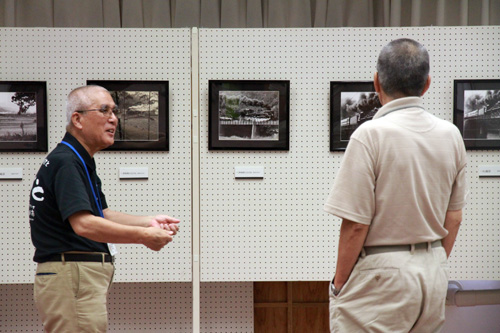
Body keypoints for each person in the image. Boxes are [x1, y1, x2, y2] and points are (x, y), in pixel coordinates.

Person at [324, 38, 467, 332]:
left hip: (382, 276)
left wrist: (339, 284)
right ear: (427, 84)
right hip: (432, 270)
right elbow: (454, 217)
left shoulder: (370, 135)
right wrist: (432, 260)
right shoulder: (451, 135)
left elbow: (355, 226)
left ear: (376, 82)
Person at [29, 85, 180, 332]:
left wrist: (149, 221)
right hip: (72, 276)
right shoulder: (67, 162)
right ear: (77, 119)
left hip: (75, 276)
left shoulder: (77, 159)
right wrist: (144, 237)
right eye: (104, 110)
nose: (113, 118)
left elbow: (101, 214)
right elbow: (84, 224)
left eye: (114, 111)